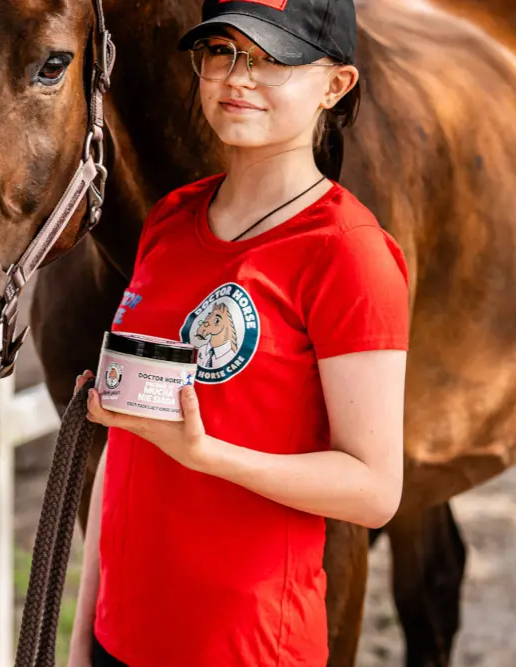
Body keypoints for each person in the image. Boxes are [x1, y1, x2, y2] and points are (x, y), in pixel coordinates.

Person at [68, 0, 409, 665]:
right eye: (221, 52)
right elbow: (126, 444)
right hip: (121, 641)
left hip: (249, 650)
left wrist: (209, 455)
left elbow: (374, 490)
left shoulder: (348, 252)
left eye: (272, 57)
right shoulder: (169, 221)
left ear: (335, 85)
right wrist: (85, 639)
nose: (238, 77)